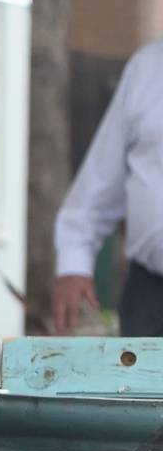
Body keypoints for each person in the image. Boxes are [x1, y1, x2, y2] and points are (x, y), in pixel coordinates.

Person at [53, 38, 163, 336]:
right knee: (138, 384)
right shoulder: (147, 68)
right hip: (152, 297)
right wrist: (73, 263)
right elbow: (102, 176)